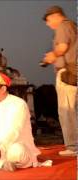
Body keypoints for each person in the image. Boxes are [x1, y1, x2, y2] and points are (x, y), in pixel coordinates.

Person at [42, 5, 77, 156]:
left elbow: (62, 47)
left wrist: (52, 56)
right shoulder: (72, 25)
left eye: (48, 20)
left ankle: (74, 147)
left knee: (66, 110)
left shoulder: (63, 26)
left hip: (67, 72)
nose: (48, 24)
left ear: (56, 15)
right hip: (73, 71)